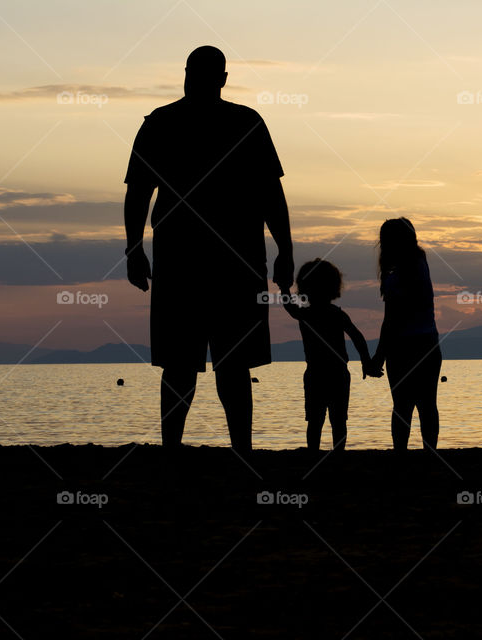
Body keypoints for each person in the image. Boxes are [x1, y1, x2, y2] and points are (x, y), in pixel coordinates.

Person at [123, 45, 294, 455]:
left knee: (218, 366)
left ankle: (226, 450)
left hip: (225, 262)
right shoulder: (163, 123)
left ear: (218, 79)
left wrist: (286, 251)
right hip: (193, 261)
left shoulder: (241, 123)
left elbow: (271, 193)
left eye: (199, 73)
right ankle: (195, 451)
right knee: (188, 366)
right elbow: (139, 192)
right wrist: (132, 248)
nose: (194, 79)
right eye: (192, 72)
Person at [281, 259, 381, 451]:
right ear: (334, 287)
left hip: (317, 375)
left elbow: (288, 305)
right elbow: (358, 338)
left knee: (315, 421)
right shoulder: (336, 314)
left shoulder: (306, 314)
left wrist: (284, 286)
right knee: (338, 421)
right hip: (337, 375)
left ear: (304, 288)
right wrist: (366, 362)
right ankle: (338, 454)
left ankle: (313, 454)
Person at [371, 218, 442, 450]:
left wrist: (378, 356)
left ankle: (402, 455)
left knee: (403, 405)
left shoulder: (405, 271)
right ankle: (427, 454)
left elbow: (392, 318)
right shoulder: (417, 263)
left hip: (406, 346)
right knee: (425, 405)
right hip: (426, 342)